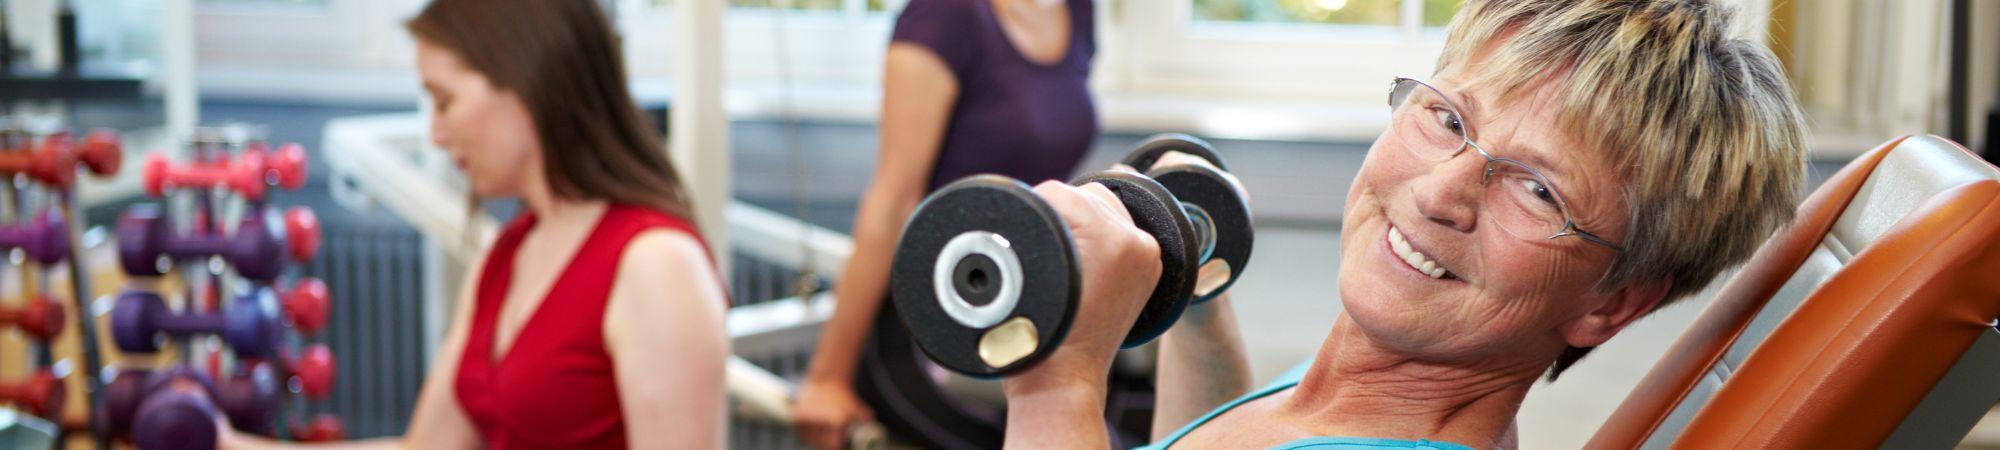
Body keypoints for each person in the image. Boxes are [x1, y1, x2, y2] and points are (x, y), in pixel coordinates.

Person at [983, 0, 1809, 448]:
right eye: (1448, 119)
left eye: (1537, 191)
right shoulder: (1362, 389)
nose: (1443, 192)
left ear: (1613, 302)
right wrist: (1195, 300)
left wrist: (1059, 382)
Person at [219, 0, 730, 448]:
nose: (436, 135)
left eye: (445, 101)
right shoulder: (508, 255)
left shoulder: (657, 264)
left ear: (527, 81)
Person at [792, 0, 1100, 447]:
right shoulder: (942, 15)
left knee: (1133, 419)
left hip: (1022, 306)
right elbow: (893, 202)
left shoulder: (1077, 10)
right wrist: (827, 377)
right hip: (929, 318)